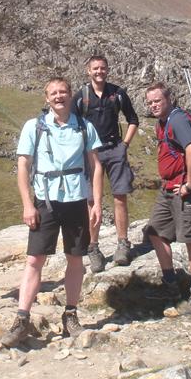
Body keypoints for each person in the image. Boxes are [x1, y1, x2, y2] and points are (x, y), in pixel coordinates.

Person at [1, 77, 103, 347]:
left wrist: (97, 202)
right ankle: (22, 319)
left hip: (76, 200)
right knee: (35, 260)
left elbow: (96, 166)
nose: (59, 97)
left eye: (63, 92)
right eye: (53, 93)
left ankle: (70, 315)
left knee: (76, 259)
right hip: (45, 201)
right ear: (46, 98)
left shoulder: (84, 126)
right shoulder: (34, 127)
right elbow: (23, 166)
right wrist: (27, 204)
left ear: (71, 95)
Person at [142, 82, 191, 314]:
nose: (153, 105)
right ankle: (171, 285)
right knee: (155, 232)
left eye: (157, 101)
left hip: (184, 188)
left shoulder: (178, 120)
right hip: (168, 188)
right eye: (150, 102)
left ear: (168, 99)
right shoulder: (162, 124)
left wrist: (190, 184)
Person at [71, 55, 139, 273]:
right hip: (91, 154)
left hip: (115, 148)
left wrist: (124, 145)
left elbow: (133, 119)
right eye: (95, 68)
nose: (99, 71)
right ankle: (93, 248)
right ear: (88, 71)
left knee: (120, 196)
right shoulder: (81, 96)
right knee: (91, 201)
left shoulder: (118, 93)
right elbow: (71, 123)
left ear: (107, 70)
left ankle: (122, 244)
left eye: (102, 68)